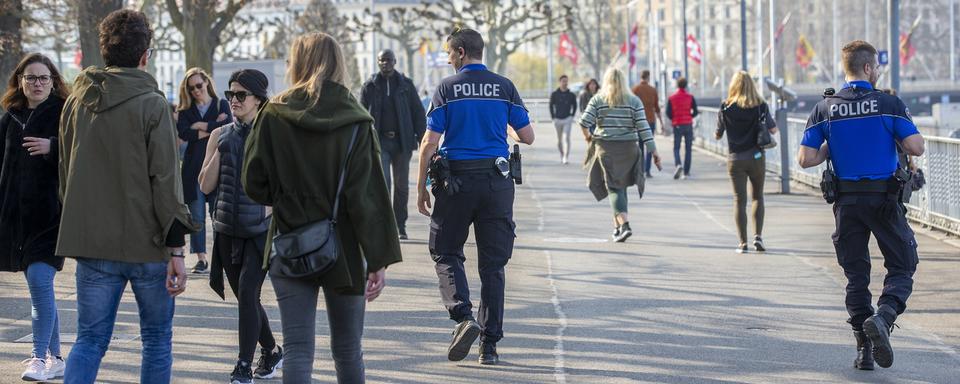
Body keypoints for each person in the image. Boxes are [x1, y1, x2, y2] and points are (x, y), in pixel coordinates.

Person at [242, 32, 402, 384]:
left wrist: (285, 195)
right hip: (344, 248)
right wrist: (378, 259)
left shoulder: (274, 113)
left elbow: (253, 182)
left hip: (289, 241)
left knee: (298, 349)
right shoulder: (357, 120)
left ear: (297, 63)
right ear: (338, 63)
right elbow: (370, 197)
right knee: (347, 351)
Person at [57, 9, 196, 384]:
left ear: (104, 51)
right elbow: (167, 181)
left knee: (89, 340)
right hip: (148, 244)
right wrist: (177, 250)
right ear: (144, 55)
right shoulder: (152, 104)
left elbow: (65, 171)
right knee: (155, 341)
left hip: (93, 244)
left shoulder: (77, 102)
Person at [797, 40, 924, 371]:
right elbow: (917, 147)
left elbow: (805, 158)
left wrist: (830, 147)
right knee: (902, 263)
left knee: (856, 276)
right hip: (884, 200)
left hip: (847, 202)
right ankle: (884, 316)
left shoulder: (825, 108)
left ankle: (863, 352)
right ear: (868, 68)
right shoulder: (888, 103)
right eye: (877, 66)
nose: (878, 71)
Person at [416, 27, 535, 366]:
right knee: (493, 266)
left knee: (445, 250)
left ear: (462, 51)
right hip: (497, 184)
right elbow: (527, 136)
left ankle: (463, 316)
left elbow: (429, 143)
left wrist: (420, 186)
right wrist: (500, 127)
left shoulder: (446, 88)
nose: (448, 58)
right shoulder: (504, 87)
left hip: (457, 184)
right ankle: (490, 346)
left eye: (450, 52)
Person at [198, 69, 282, 384]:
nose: (233, 100)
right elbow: (205, 186)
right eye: (230, 94)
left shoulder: (272, 134)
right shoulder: (220, 135)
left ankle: (244, 364)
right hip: (225, 229)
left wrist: (268, 211)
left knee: (248, 293)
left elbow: (282, 184)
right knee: (244, 296)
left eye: (240, 95)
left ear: (258, 99)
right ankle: (272, 349)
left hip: (259, 232)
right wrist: (219, 151)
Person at [0, 52, 69, 382]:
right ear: (20, 82)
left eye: (44, 78)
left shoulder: (64, 113)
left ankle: (38, 358)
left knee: (40, 285)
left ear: (54, 81)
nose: (38, 83)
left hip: (51, 217)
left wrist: (52, 146)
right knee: (41, 290)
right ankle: (55, 357)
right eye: (31, 78)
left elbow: (82, 153)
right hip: (16, 221)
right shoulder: (10, 117)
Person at [580, 67, 660, 243]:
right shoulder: (634, 101)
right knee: (620, 187)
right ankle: (617, 228)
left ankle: (625, 225)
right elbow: (644, 129)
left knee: (614, 187)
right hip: (629, 149)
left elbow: (584, 122)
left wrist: (588, 137)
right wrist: (654, 152)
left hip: (607, 149)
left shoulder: (598, 99)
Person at [360, 49, 427, 240]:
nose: (385, 64)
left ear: (395, 61)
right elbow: (360, 114)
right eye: (381, 60)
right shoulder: (369, 86)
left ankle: (400, 225)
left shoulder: (406, 85)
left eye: (388, 60)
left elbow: (418, 114)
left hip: (401, 144)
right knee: (384, 185)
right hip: (379, 142)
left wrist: (423, 140)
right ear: (378, 62)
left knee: (401, 186)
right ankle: (385, 226)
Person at [175, 67, 232, 274]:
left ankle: (221, 256)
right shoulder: (184, 111)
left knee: (218, 215)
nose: (196, 91)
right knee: (197, 217)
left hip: (218, 167)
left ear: (206, 82)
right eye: (191, 89)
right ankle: (201, 258)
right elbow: (184, 134)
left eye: (199, 85)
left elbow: (227, 127)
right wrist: (212, 127)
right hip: (192, 170)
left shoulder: (221, 104)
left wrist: (199, 125)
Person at [715, 71, 777, 253]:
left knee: (739, 200)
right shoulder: (761, 106)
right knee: (757, 196)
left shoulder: (725, 107)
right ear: (752, 85)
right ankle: (758, 237)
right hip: (756, 157)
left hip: (735, 160)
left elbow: (717, 135)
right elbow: (773, 130)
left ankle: (743, 243)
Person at [632, 70, 664, 177]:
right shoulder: (653, 90)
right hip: (650, 121)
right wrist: (661, 122)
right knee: (650, 145)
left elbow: (631, 107)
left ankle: (641, 169)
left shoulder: (635, 90)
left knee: (640, 146)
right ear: (648, 77)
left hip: (638, 121)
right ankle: (648, 170)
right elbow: (657, 107)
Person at [666, 77, 698, 179]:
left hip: (677, 124)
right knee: (688, 149)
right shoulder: (690, 97)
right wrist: (690, 116)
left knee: (676, 147)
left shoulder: (672, 98)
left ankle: (678, 164)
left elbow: (668, 112)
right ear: (686, 85)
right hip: (688, 124)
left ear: (677, 85)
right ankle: (686, 172)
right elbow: (696, 111)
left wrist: (674, 118)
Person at [549, 75, 577, 164]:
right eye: (563, 81)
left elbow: (575, 105)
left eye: (566, 81)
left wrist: (572, 116)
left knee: (566, 138)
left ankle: (566, 157)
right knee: (559, 140)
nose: (565, 83)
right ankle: (562, 154)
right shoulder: (554, 94)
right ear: (560, 82)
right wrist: (553, 117)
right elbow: (551, 105)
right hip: (557, 119)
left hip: (567, 119)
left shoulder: (571, 95)